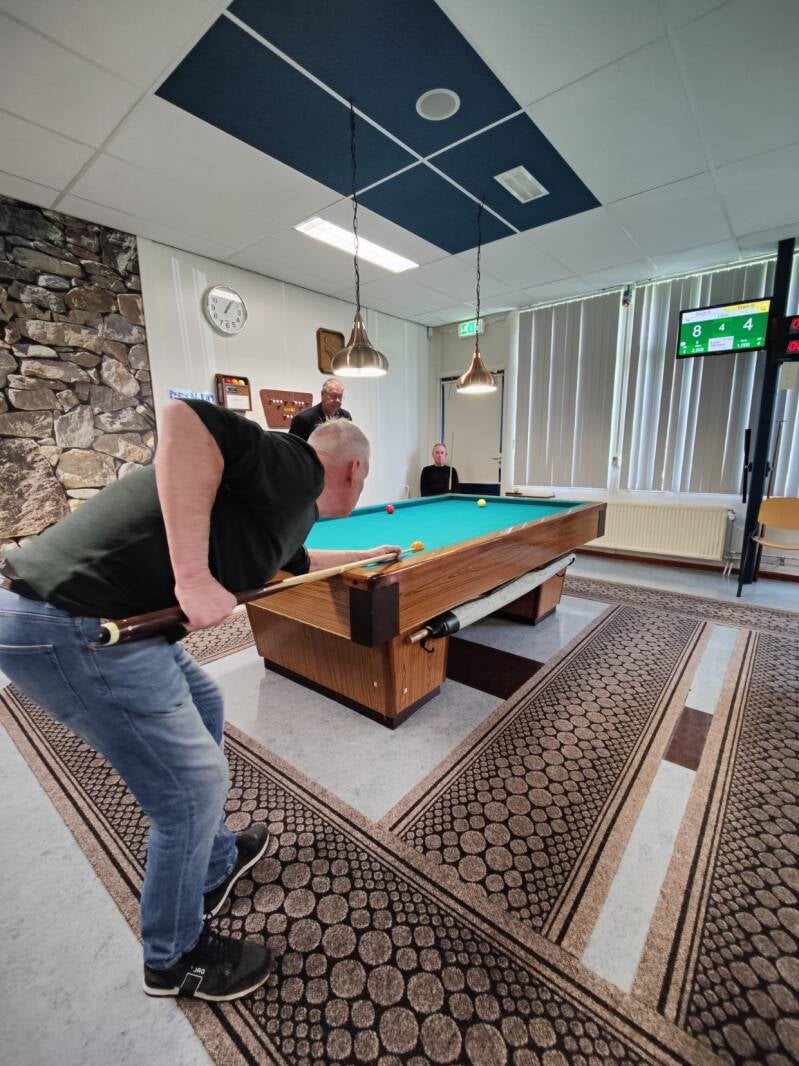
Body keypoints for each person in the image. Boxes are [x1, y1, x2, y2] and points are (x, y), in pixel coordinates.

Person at [0, 399, 398, 1003]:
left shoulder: (285, 510)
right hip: (71, 623)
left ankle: (213, 863)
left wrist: (372, 557)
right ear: (355, 470)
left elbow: (300, 564)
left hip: (80, 614)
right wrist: (192, 578)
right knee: (191, 790)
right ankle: (173, 956)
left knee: (206, 702)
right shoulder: (299, 467)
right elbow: (185, 417)